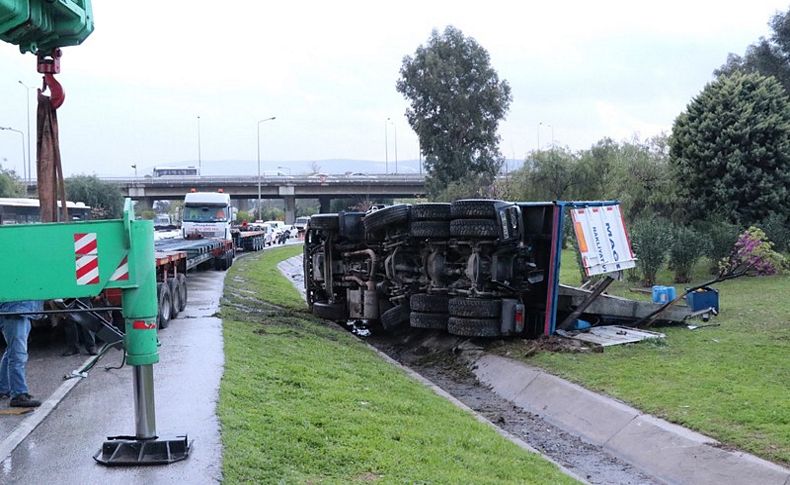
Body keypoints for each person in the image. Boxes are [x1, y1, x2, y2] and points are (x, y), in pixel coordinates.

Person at [0, 300, 43, 407]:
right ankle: (18, 394)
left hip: (20, 310)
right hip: (15, 309)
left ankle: (3, 387)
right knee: (18, 355)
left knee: (12, 350)